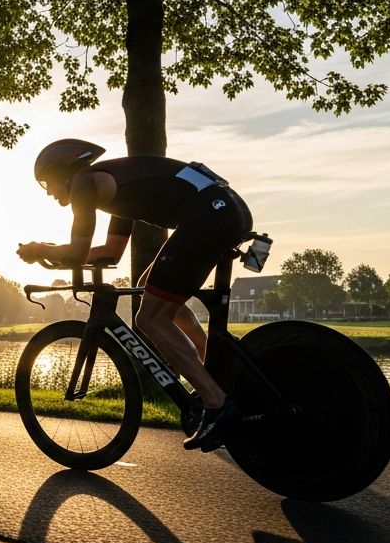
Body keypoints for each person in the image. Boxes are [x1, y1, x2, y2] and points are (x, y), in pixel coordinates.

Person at [17, 138, 252, 452]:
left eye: (47, 183)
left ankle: (216, 402)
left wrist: (39, 249)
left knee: (150, 319)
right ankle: (211, 368)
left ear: (64, 172)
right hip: (224, 209)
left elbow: (78, 250)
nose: (49, 192)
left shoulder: (85, 184)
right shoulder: (113, 187)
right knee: (149, 287)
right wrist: (59, 253)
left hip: (209, 214)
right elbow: (111, 252)